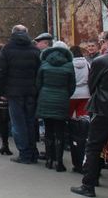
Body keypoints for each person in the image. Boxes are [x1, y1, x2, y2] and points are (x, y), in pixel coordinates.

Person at [71, 29, 108, 198]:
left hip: (103, 110)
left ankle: (89, 185)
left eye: (102, 42)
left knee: (94, 147)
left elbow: (92, 85)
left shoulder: (100, 61)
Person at [0, 24, 41, 164]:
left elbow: (1, 72)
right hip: (31, 91)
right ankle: (33, 151)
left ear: (13, 33)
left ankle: (25, 153)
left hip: (14, 92)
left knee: (18, 123)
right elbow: (39, 72)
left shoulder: (7, 49)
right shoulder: (34, 49)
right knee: (30, 121)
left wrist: (0, 91)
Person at [36, 40, 75, 172]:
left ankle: (49, 159)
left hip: (45, 99)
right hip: (62, 100)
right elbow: (72, 86)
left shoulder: (44, 64)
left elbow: (38, 83)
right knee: (60, 131)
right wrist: (64, 95)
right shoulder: (69, 66)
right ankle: (59, 162)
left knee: (48, 130)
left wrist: (44, 94)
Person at [69, 45, 90, 117]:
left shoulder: (69, 64)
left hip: (72, 94)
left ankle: (71, 128)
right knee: (82, 118)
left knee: (69, 117)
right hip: (85, 94)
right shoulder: (87, 64)